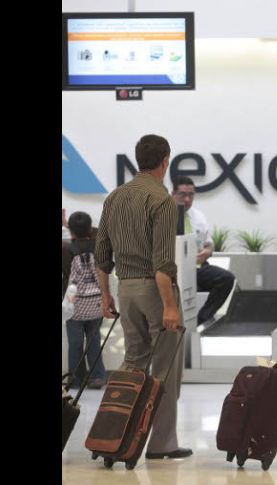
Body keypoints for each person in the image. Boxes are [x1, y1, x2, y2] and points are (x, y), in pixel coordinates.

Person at [95, 134, 191, 460]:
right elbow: (164, 262)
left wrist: (106, 295)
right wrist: (170, 306)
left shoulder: (115, 197)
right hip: (154, 290)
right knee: (164, 368)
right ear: (165, 161)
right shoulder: (161, 199)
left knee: (131, 363)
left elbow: (102, 254)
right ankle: (161, 444)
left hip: (125, 289)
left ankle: (114, 434)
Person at [171, 175, 236, 326]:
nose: (187, 199)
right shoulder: (163, 215)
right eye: (182, 195)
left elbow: (209, 244)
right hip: (171, 268)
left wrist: (208, 251)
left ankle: (202, 320)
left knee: (226, 278)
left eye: (191, 195)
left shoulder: (198, 216)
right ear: (172, 195)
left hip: (197, 267)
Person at [64, 211, 107, 390]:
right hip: (96, 301)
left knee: (75, 343)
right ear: (89, 228)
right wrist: (70, 226)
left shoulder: (65, 248)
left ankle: (76, 379)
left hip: (74, 304)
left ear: (71, 232)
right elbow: (97, 232)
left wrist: (67, 226)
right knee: (94, 340)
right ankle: (97, 376)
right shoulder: (98, 245)